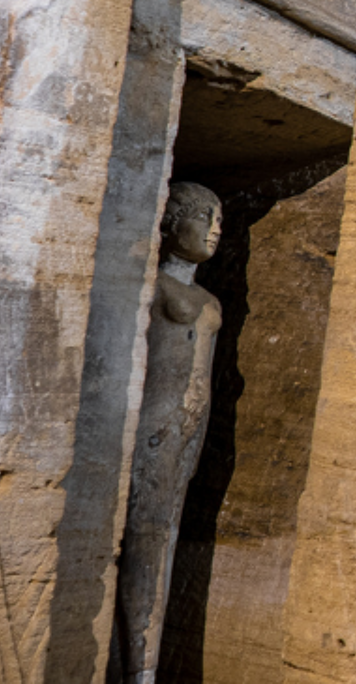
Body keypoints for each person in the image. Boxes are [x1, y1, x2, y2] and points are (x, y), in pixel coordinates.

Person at [112, 181, 224, 683]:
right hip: (154, 424)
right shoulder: (154, 284)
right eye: (204, 215)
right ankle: (136, 664)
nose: (215, 227)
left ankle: (145, 662)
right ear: (171, 222)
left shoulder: (208, 297)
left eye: (219, 217)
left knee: (168, 532)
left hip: (189, 427)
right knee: (145, 533)